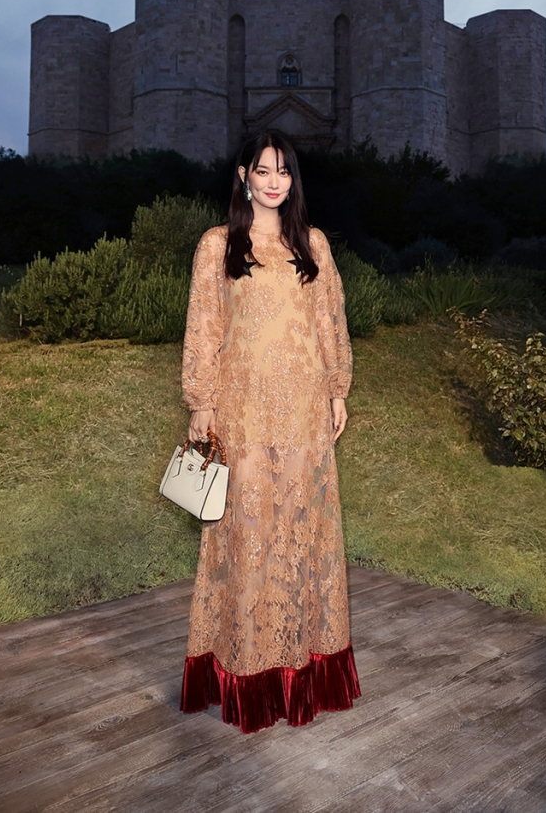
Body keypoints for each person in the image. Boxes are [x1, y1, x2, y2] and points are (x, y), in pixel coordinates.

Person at [179, 129, 361, 733]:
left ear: (293, 179)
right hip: (244, 411)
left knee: (303, 533)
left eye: (283, 171)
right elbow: (204, 325)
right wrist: (200, 403)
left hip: (307, 412)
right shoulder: (217, 245)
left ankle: (303, 671)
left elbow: (330, 319)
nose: (274, 181)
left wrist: (338, 388)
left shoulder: (314, 244)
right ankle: (247, 674)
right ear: (243, 176)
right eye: (263, 170)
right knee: (248, 535)